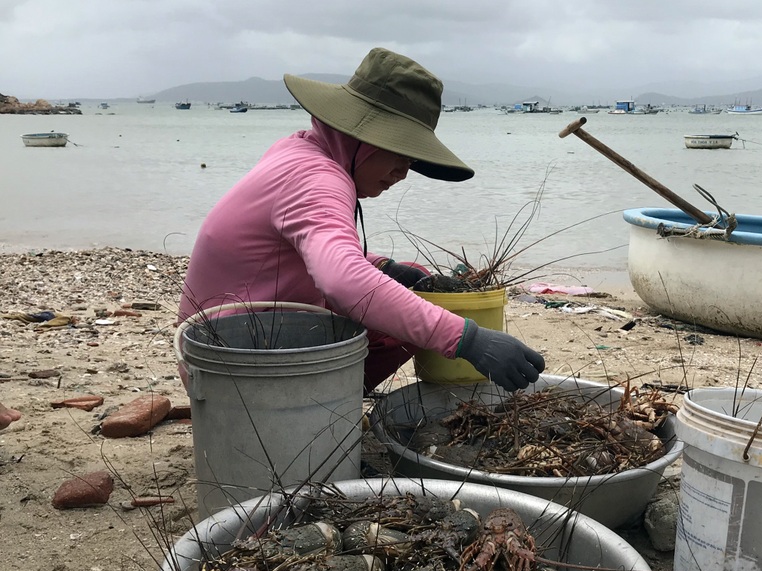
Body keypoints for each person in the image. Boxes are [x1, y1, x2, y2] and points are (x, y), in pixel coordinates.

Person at [177, 47, 544, 394]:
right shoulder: (318, 179)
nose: (403, 171)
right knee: (407, 320)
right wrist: (468, 340)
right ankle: (319, 416)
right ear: (360, 136)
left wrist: (386, 267)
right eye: (399, 152)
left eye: (413, 159)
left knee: (411, 279)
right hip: (235, 370)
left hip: (217, 351)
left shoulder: (300, 149)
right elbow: (342, 279)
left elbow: (304, 250)